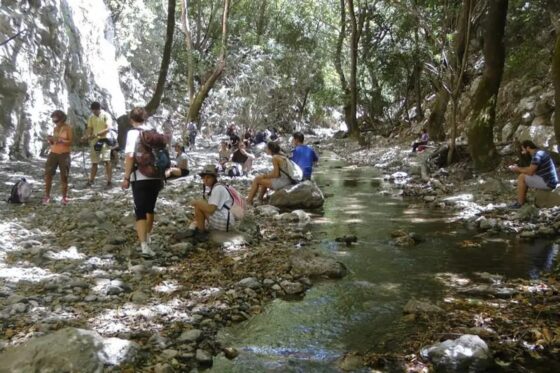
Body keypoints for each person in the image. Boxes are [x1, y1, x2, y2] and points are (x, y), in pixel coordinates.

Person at [121, 107, 162, 257]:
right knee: (150, 208)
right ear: (145, 119)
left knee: (140, 211)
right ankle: (148, 237)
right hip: (156, 175)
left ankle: (144, 246)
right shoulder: (153, 132)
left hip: (140, 176)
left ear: (131, 120)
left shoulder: (133, 133)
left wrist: (126, 178)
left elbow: (130, 156)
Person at [187, 164, 235, 240]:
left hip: (225, 221)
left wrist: (196, 202)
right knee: (200, 205)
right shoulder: (217, 187)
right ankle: (198, 230)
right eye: (204, 178)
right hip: (226, 220)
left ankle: (201, 233)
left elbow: (211, 209)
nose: (205, 180)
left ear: (214, 178)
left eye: (208, 177)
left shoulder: (217, 188)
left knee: (199, 203)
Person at [508, 140, 558, 208]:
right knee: (524, 176)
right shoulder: (539, 152)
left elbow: (530, 172)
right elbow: (532, 169)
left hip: (548, 182)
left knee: (521, 177)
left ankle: (519, 203)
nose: (522, 152)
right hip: (549, 180)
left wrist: (517, 168)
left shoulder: (537, 155)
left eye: (523, 149)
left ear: (528, 148)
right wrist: (518, 169)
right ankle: (523, 200)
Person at [44, 110, 73, 205]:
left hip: (64, 154)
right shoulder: (55, 128)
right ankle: (47, 196)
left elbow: (70, 141)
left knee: (64, 176)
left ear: (62, 119)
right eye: (54, 120)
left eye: (56, 120)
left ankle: (64, 197)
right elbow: (54, 142)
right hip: (53, 153)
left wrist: (60, 140)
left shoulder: (68, 128)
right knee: (48, 175)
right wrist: (51, 140)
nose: (55, 122)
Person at [84, 102, 113, 188]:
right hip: (94, 141)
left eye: (96, 110)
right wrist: (87, 136)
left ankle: (109, 181)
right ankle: (91, 180)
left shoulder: (106, 115)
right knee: (94, 162)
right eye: (93, 110)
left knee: (107, 161)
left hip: (105, 140)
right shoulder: (91, 117)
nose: (95, 112)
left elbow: (108, 128)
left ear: (100, 108)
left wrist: (96, 134)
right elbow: (89, 128)